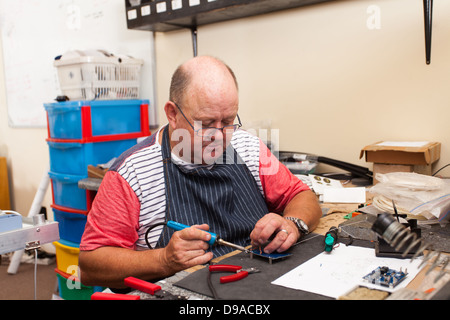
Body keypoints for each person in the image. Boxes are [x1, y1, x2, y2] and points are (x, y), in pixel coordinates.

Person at [79, 56, 322, 289]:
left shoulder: (248, 147)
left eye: (228, 121)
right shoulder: (132, 173)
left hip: (259, 281)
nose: (219, 135)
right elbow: (90, 266)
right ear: (172, 114)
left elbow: (302, 195)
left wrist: (292, 224)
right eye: (205, 123)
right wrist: (163, 259)